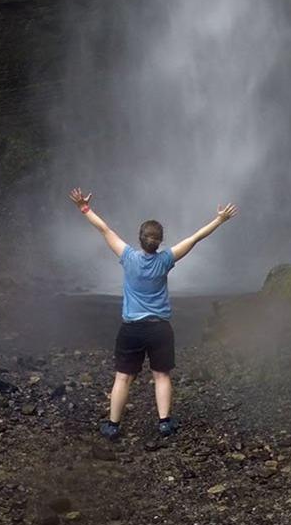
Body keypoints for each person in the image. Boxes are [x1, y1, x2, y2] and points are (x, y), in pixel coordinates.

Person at [68, 187, 238, 439]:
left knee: (123, 377)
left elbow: (104, 229)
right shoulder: (166, 260)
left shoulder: (128, 257)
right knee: (161, 376)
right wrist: (220, 220)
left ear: (140, 239)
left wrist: (84, 207)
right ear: (159, 241)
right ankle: (164, 423)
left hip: (132, 329)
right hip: (159, 328)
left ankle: (113, 426)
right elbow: (195, 238)